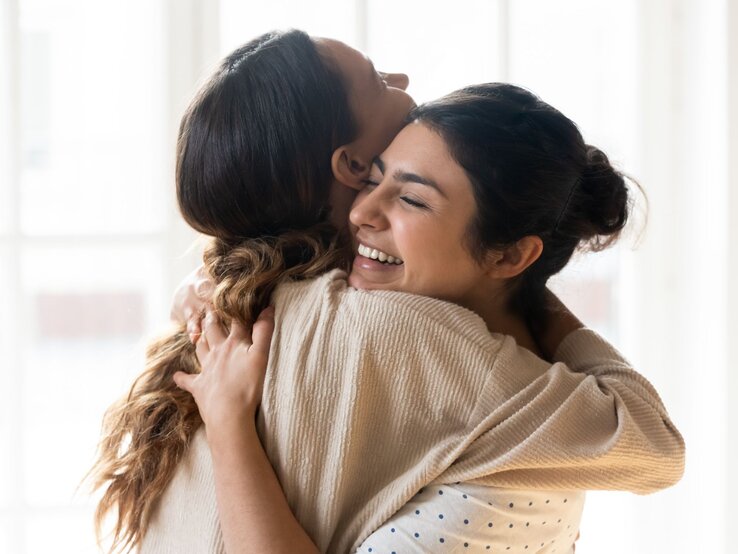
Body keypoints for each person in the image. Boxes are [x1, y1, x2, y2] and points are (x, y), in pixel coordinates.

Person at [88, 30, 684, 554]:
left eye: (411, 194)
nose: (404, 82)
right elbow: (653, 446)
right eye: (377, 78)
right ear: (350, 166)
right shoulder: (398, 331)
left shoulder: (239, 299)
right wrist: (528, 287)